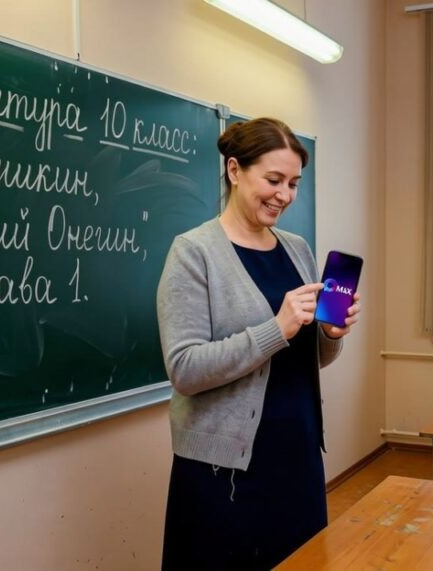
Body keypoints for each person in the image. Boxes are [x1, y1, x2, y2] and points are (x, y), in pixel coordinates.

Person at [156, 117, 361, 570]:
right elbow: (185, 369)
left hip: (298, 453)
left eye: (293, 183)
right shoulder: (193, 252)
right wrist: (277, 327)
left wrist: (329, 335)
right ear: (234, 170)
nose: (284, 195)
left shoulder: (297, 248)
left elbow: (304, 357)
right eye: (273, 180)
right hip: (224, 472)